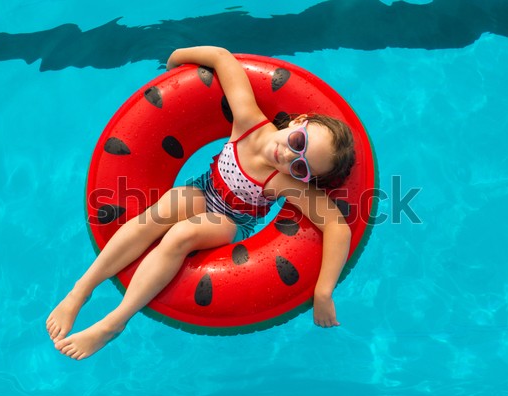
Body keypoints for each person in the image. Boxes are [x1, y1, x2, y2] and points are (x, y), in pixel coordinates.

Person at [46, 46, 355, 360]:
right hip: (204, 189)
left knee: (181, 235)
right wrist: (177, 57)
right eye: (297, 143)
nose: (288, 156)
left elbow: (336, 225)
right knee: (158, 214)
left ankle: (114, 322)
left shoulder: (284, 182)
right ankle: (80, 291)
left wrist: (323, 290)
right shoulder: (249, 121)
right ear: (298, 122)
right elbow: (223, 59)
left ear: (303, 178)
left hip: (232, 222)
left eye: (301, 166)